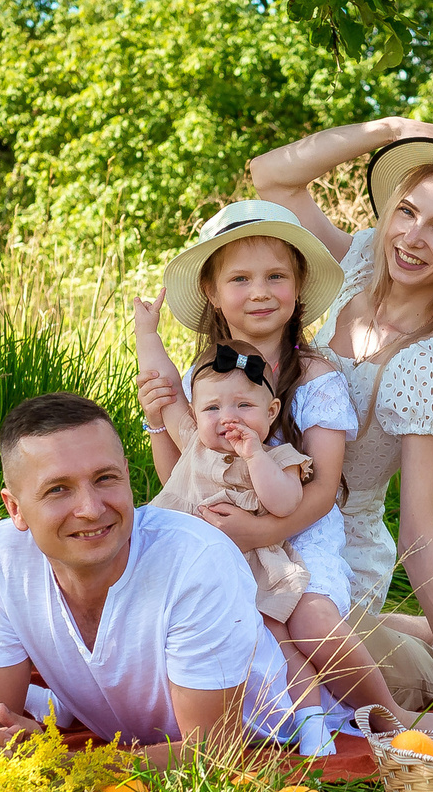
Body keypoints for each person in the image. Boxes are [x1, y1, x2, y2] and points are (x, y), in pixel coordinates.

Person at [247, 117, 433, 721]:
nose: (412, 237)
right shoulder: (356, 263)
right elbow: (271, 177)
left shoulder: (429, 361)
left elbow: (419, 534)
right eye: (406, 212)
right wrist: (393, 128)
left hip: (341, 552)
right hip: (267, 516)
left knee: (374, 674)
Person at [135, 200, 404, 716]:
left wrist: (260, 533)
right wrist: (155, 423)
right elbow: (182, 477)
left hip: (300, 531)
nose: (259, 291)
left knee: (309, 622)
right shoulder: (200, 380)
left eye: (275, 276)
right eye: (240, 279)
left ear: (298, 286)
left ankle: (393, 716)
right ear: (212, 293)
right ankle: (295, 718)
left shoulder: (315, 377)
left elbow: (323, 491)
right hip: (225, 539)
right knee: (246, 635)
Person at [0, 392, 298, 762]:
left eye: (105, 478)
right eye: (58, 489)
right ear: (15, 509)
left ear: (128, 476)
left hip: (266, 734)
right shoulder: (7, 556)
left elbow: (214, 751)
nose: (91, 508)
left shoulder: (196, 561)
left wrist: (61, 764)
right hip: (130, 733)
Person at [138, 338, 335, 753]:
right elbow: (164, 382)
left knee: (281, 642)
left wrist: (253, 456)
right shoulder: (192, 439)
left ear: (271, 413)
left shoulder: (279, 458)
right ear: (194, 414)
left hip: (252, 568)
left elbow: (285, 503)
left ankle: (311, 719)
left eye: (243, 407)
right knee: (159, 633)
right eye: (212, 408)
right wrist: (147, 331)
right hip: (185, 570)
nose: (227, 418)